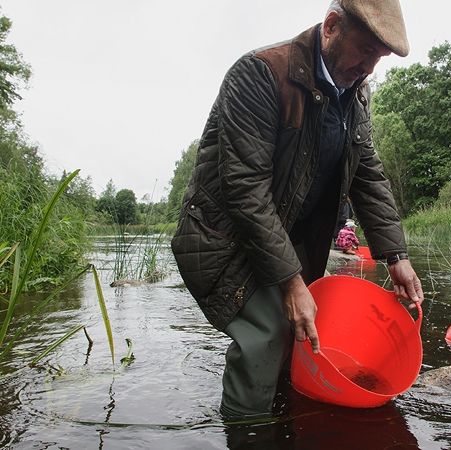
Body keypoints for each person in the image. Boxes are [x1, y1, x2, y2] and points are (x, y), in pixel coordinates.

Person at [171, 0, 423, 420]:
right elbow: (245, 190)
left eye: (377, 60)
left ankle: (286, 421)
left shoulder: (355, 94)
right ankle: (247, 431)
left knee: (303, 332)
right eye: (364, 51)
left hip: (292, 235)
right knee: (266, 335)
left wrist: (395, 255)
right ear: (331, 26)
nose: (368, 69)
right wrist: (290, 283)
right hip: (227, 235)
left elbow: (367, 174)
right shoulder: (259, 74)